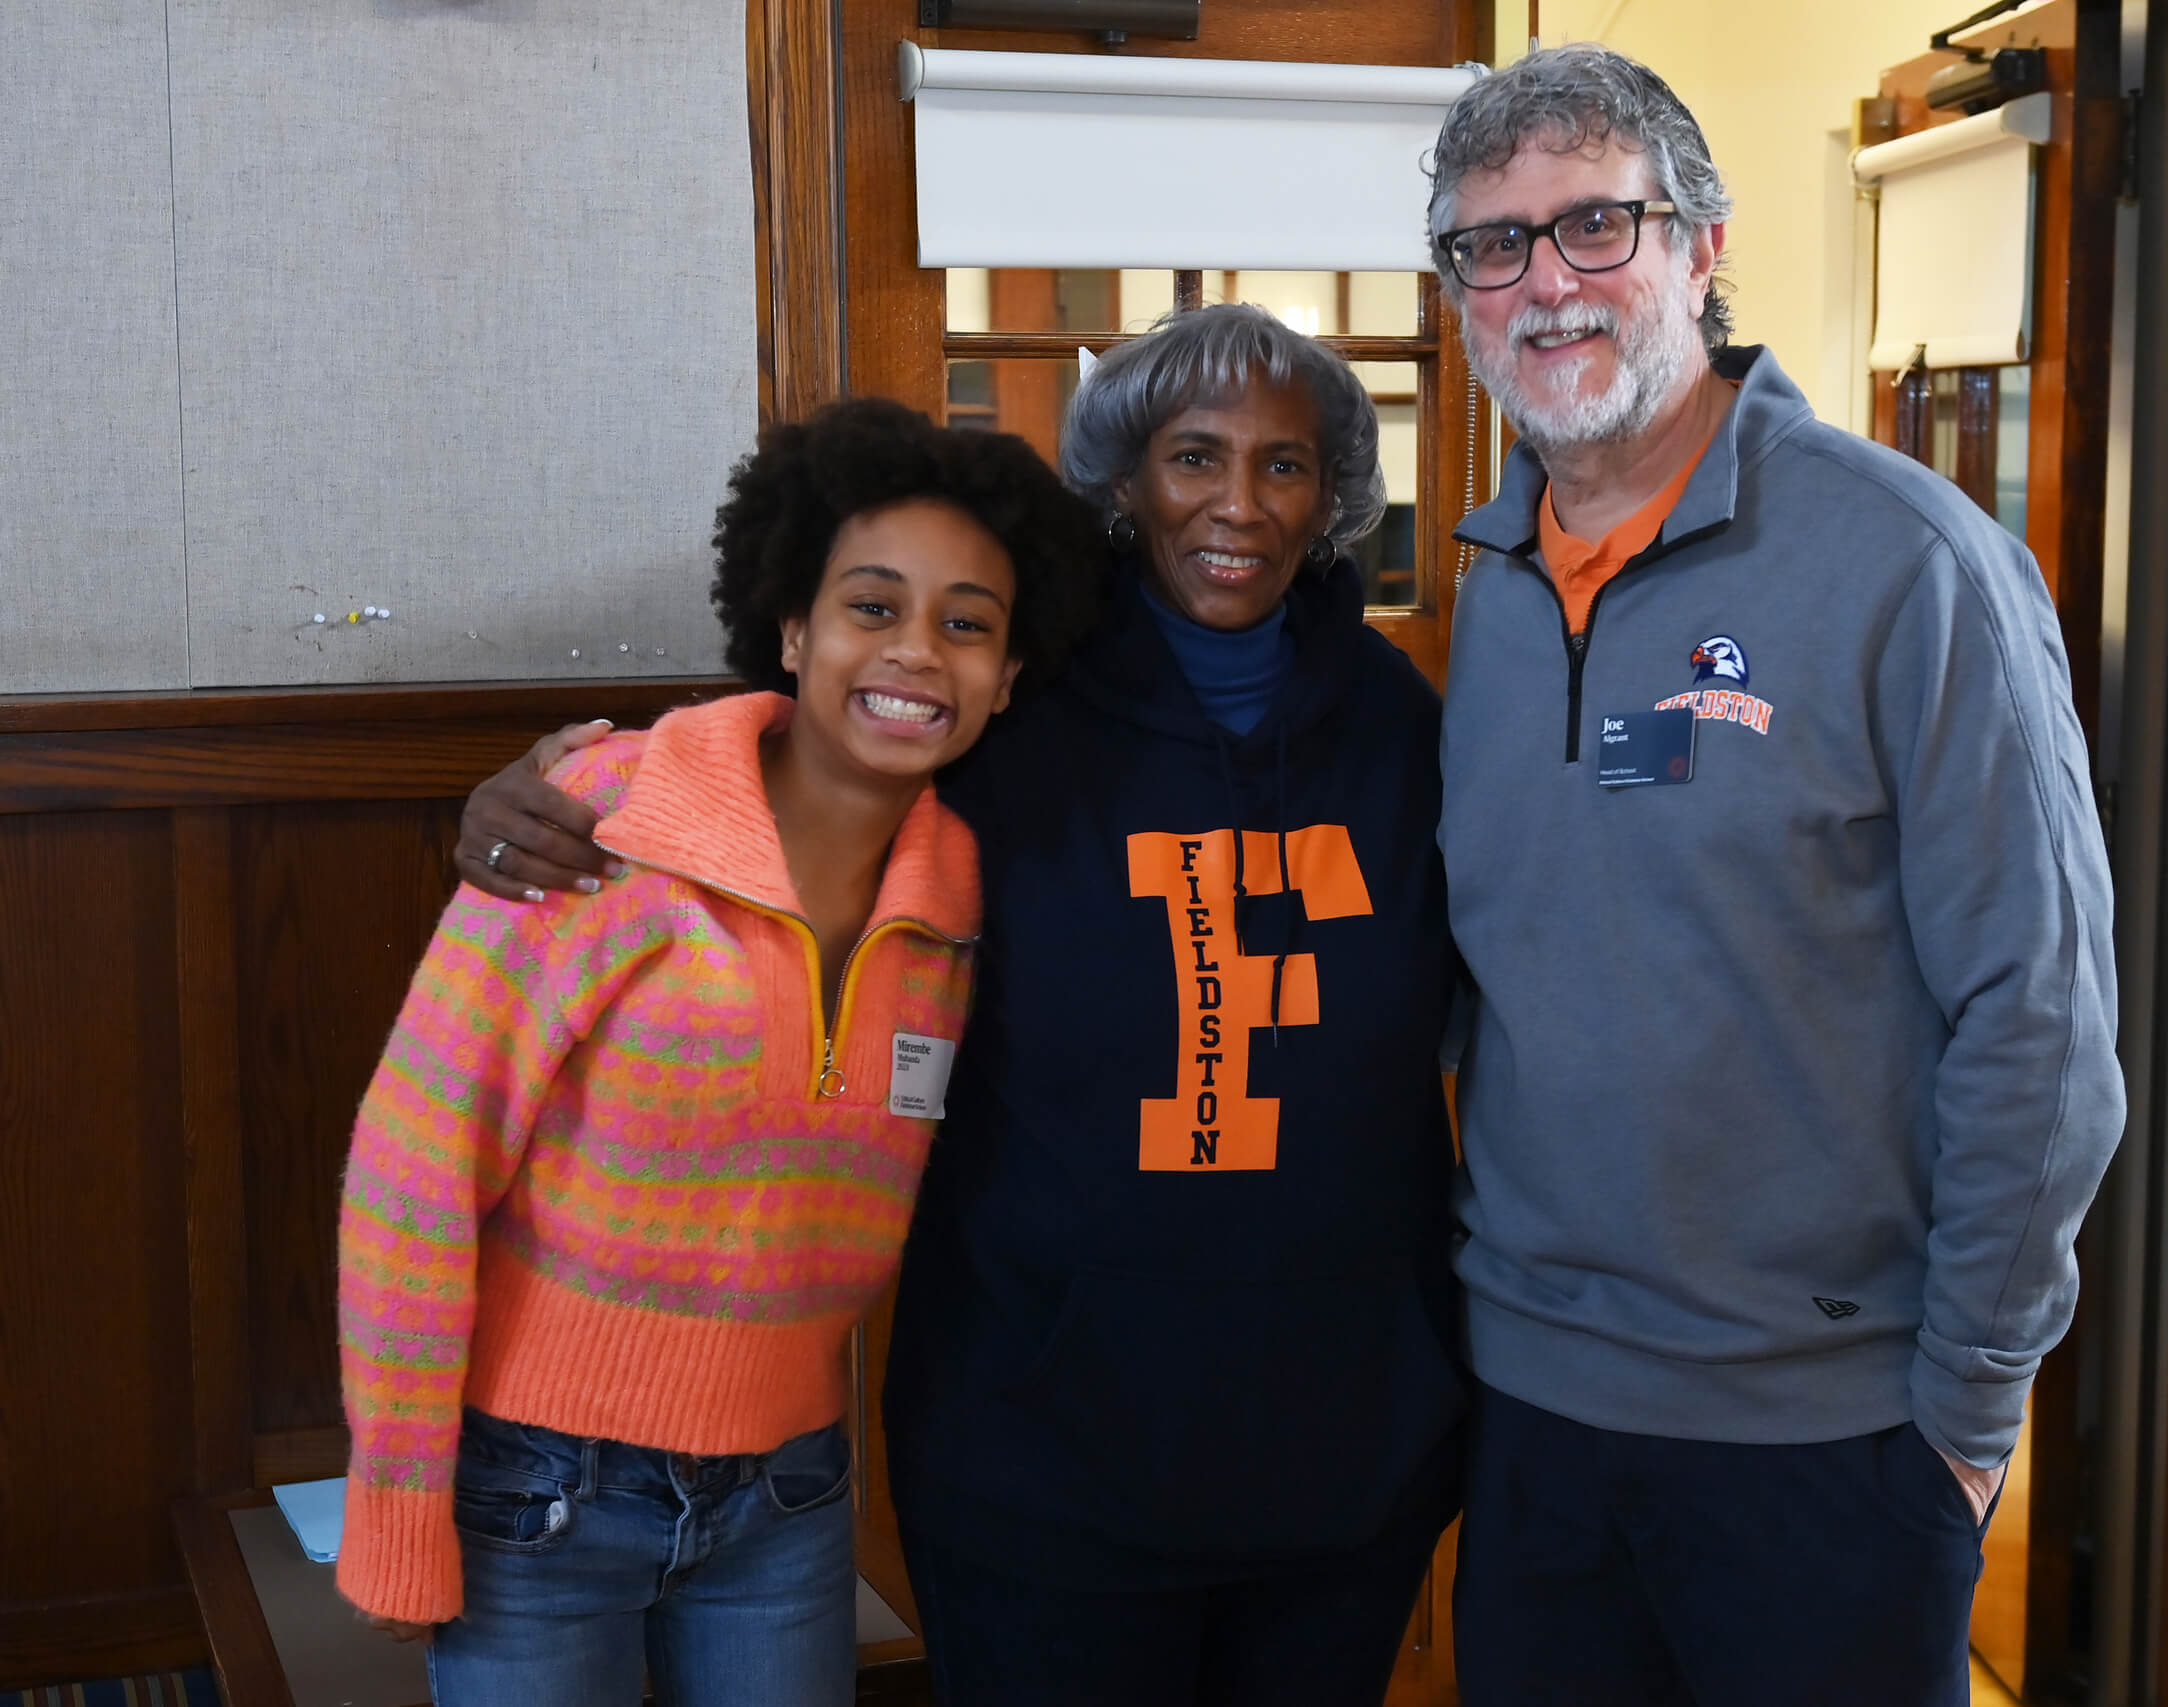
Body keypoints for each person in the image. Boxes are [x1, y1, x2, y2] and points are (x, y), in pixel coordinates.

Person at [454, 304, 1464, 1707]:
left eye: (1286, 466)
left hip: (1347, 1451)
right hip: (1045, 1455)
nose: (1238, 503)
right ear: (1123, 479)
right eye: (1193, 457)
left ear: (1333, 495)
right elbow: (791, 752)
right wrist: (560, 789)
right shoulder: (1013, 708)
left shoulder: (1403, 722)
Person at [1424, 44, 2127, 1706]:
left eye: (1597, 225)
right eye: (1492, 244)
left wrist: (1967, 1412)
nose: (1546, 282)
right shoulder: (1491, 588)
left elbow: (2044, 1022)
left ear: (1700, 248)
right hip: (1532, 1424)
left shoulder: (1910, 563)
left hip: (1834, 1440)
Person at [333, 397, 1105, 1707]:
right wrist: (396, 1508)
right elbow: (412, 1177)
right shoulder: (601, 821)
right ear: (794, 627)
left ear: (1009, 673)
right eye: (873, 606)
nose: (917, 651)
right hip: (538, 1493)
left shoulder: (976, 898)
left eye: (967, 624)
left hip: (788, 1496)